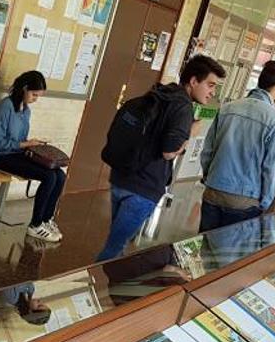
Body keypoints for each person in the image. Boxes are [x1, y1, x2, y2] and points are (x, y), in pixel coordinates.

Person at [96, 55, 225, 261]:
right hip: (143, 189)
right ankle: (85, 288)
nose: (212, 92)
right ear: (193, 81)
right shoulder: (183, 107)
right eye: (210, 85)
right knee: (113, 247)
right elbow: (168, 151)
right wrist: (190, 133)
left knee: (118, 242)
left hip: (121, 178)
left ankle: (113, 286)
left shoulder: (161, 94)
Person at [198, 59, 275, 232]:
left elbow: (207, 151)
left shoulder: (227, 108)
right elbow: (273, 170)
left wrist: (210, 178)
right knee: (231, 256)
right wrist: (264, 203)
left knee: (206, 248)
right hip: (244, 202)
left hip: (213, 193)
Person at [0, 70, 66, 242]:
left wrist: (34, 145)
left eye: (38, 96)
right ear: (24, 88)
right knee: (48, 177)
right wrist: (26, 144)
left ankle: (46, 219)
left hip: (17, 153)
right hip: (1, 156)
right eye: (34, 94)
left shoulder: (26, 111)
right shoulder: (5, 107)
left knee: (60, 175)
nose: (35, 99)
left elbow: (22, 140)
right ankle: (35, 225)